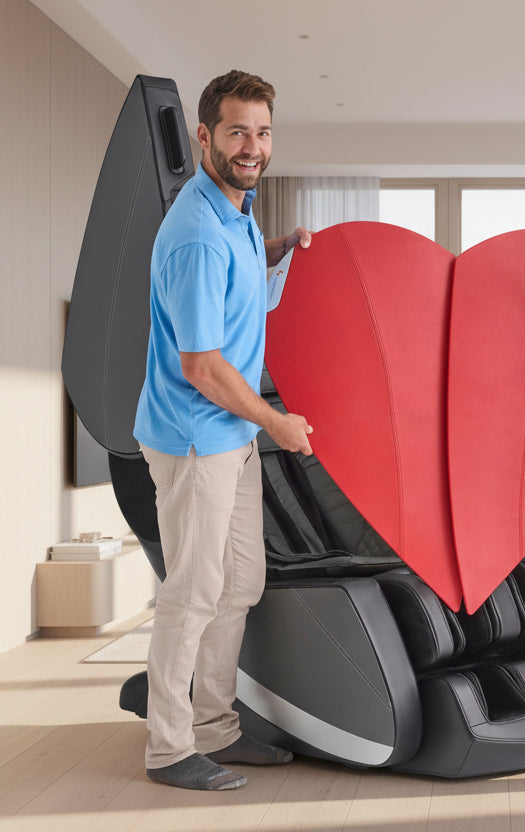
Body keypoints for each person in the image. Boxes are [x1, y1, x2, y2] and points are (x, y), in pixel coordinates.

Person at [133, 70, 314, 791]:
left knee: (240, 581)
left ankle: (215, 727)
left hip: (228, 438)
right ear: (204, 136)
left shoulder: (235, 213)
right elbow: (203, 367)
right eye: (237, 131)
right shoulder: (199, 235)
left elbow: (237, 281)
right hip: (194, 437)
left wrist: (277, 248)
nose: (252, 146)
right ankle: (169, 747)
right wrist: (277, 422)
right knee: (193, 589)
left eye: (262, 132)